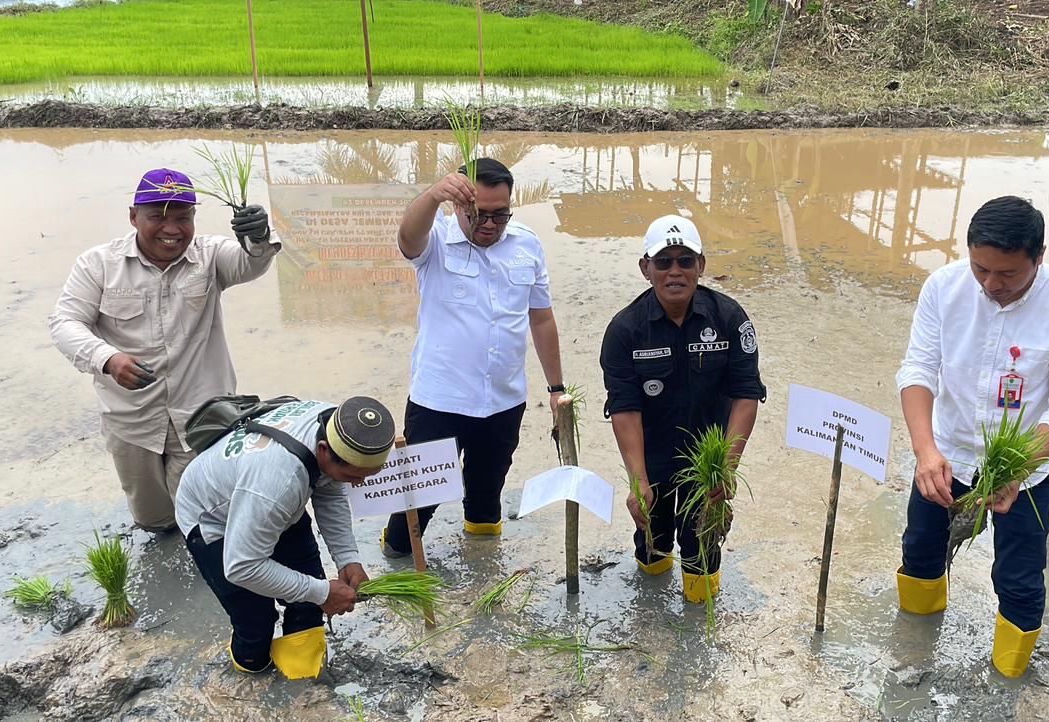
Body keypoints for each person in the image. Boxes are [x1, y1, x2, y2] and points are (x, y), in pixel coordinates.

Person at [895, 196, 1049, 678]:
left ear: (1039, 257)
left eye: (1007, 274)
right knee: (920, 552)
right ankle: (914, 651)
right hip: (947, 456)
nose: (992, 284)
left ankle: (1008, 678)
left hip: (1025, 473)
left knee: (1021, 579)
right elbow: (919, 370)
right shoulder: (944, 287)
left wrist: (1018, 467)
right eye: (980, 269)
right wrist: (926, 452)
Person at [49, 169, 277, 532]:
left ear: (193, 219)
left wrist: (258, 236)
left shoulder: (210, 255)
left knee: (204, 518)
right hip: (131, 420)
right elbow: (65, 323)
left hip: (202, 417)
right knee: (152, 518)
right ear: (133, 216)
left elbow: (250, 263)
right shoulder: (98, 264)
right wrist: (107, 359)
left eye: (182, 218)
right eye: (157, 216)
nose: (171, 229)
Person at [381, 158, 563, 556]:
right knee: (413, 513)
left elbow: (542, 318)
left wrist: (556, 388)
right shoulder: (436, 241)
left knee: (486, 497)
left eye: (500, 215)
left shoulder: (526, 244)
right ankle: (396, 560)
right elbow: (406, 238)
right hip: (439, 402)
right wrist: (432, 194)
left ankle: (482, 567)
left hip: (503, 401)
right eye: (479, 214)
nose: (489, 224)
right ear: (459, 205)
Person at [600, 215, 766, 604]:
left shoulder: (730, 320)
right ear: (646, 268)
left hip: (707, 462)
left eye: (685, 260)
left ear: (701, 266)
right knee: (651, 544)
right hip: (652, 459)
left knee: (702, 550)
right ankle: (652, 612)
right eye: (663, 262)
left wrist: (726, 467)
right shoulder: (625, 330)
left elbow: (746, 394)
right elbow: (624, 409)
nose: (675, 271)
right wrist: (637, 480)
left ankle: (698, 622)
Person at [176, 396, 395, 676]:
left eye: (367, 475)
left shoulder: (336, 423)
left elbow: (330, 489)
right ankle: (253, 667)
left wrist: (347, 559)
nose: (358, 483)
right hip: (212, 518)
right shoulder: (279, 482)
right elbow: (242, 567)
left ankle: (302, 674)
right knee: (256, 623)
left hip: (267, 502)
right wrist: (323, 592)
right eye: (354, 475)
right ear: (324, 450)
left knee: (307, 606)